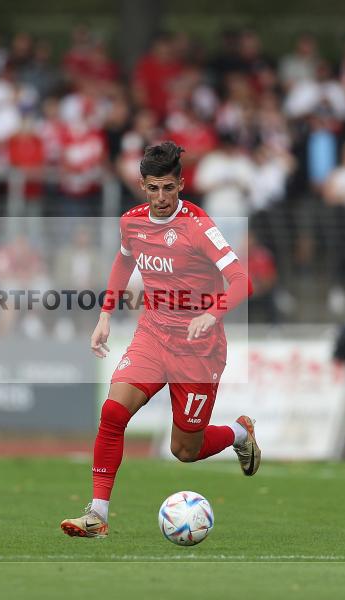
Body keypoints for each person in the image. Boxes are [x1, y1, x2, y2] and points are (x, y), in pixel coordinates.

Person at [60, 142, 258, 539]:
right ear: (143, 186)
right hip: (152, 335)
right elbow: (123, 260)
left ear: (181, 184)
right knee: (113, 413)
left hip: (198, 349)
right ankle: (97, 514)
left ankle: (239, 434)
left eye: (169, 188)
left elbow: (242, 280)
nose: (162, 197)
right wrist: (104, 315)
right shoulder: (131, 222)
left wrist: (211, 313)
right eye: (154, 189)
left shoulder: (199, 226)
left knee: (184, 450)